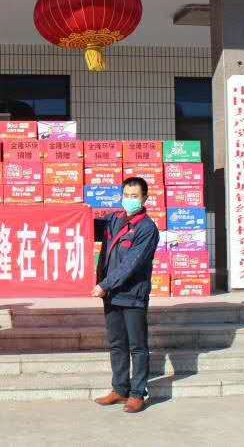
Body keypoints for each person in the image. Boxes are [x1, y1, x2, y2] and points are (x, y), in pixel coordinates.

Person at [92, 176, 160, 413]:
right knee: (117, 344)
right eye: (126, 195)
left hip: (132, 294)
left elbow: (131, 264)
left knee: (137, 346)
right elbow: (87, 227)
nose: (129, 200)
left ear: (144, 198)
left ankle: (138, 393)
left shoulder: (147, 229)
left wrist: (104, 284)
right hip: (112, 294)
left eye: (134, 196)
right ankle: (119, 389)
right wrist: (73, 215)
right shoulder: (115, 219)